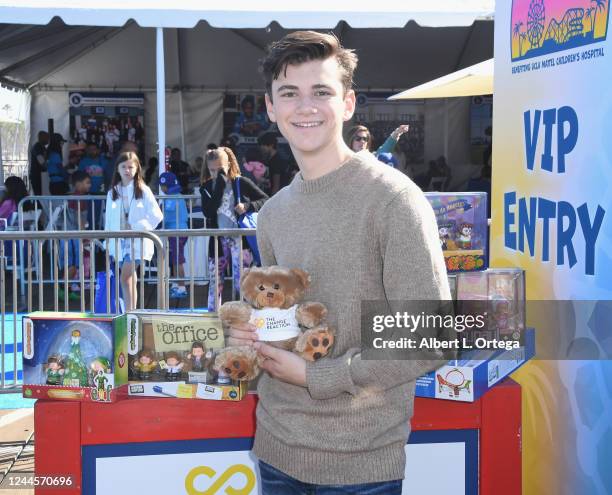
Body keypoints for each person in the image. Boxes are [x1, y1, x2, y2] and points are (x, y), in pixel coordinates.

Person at [226, 31, 450, 493]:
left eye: (321, 92)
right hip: (276, 451)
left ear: (348, 104)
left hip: (360, 468)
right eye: (290, 93)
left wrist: (317, 375)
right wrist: (251, 336)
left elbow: (428, 336)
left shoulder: (393, 200)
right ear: (271, 108)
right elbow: (284, 320)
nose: (305, 107)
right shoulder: (273, 213)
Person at [199, 147, 268, 311]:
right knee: (216, 281)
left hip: (239, 239)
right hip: (217, 240)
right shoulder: (207, 187)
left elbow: (265, 199)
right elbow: (208, 212)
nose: (217, 174)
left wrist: (248, 206)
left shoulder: (240, 182)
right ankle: (213, 318)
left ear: (229, 165)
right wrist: (218, 188)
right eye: (212, 170)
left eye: (220, 169)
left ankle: (248, 315)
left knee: (242, 281)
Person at [104, 151, 163, 311]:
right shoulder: (112, 192)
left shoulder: (143, 190)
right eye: (123, 166)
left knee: (125, 277)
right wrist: (107, 242)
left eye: (131, 166)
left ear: (137, 169)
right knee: (130, 278)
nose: (127, 170)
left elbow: (157, 215)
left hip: (138, 240)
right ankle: (132, 310)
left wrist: (141, 226)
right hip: (119, 241)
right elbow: (108, 219)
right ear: (117, 169)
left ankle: (130, 312)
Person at [58, 171, 92, 300]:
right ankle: (63, 290)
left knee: (71, 264)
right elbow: (79, 218)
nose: (89, 185)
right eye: (87, 182)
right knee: (72, 264)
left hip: (69, 235)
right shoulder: (79, 198)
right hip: (73, 235)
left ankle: (66, 290)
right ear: (78, 183)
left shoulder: (73, 197)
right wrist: (84, 234)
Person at [159, 172, 188, 299]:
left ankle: (182, 287)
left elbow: (163, 217)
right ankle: (177, 285)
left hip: (177, 232)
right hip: (178, 231)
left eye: (162, 185)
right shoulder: (178, 196)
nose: (161, 188)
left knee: (178, 260)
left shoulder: (171, 198)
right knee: (176, 259)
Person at [29, 131, 48, 196]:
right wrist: (48, 167)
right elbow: (41, 161)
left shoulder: (42, 147)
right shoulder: (37, 147)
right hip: (36, 175)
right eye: (47, 137)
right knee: (38, 195)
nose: (48, 139)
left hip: (41, 175)